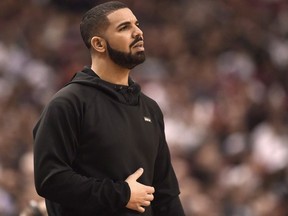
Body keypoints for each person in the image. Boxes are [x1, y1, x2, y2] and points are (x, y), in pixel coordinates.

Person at [33, 1, 185, 215]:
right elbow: (50, 179)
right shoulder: (68, 103)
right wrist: (122, 194)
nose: (138, 32)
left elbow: (165, 194)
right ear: (99, 44)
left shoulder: (150, 109)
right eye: (124, 27)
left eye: (137, 24)